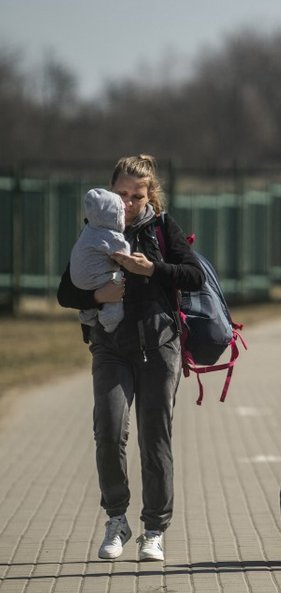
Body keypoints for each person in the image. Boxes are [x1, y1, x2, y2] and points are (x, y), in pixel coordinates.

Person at [57, 155, 204, 562]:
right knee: (108, 428)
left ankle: (154, 529)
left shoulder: (161, 227)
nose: (127, 203)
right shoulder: (96, 230)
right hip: (110, 345)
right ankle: (117, 518)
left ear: (149, 195)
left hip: (159, 346)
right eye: (121, 194)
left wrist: (152, 268)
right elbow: (65, 291)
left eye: (136, 196)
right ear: (109, 192)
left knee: (154, 438)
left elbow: (195, 276)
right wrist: (96, 297)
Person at [69, 188, 131, 333]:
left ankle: (87, 315)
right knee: (118, 279)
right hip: (93, 278)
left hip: (77, 279)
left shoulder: (90, 229)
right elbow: (124, 255)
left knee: (98, 283)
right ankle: (110, 320)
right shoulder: (109, 235)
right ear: (113, 215)